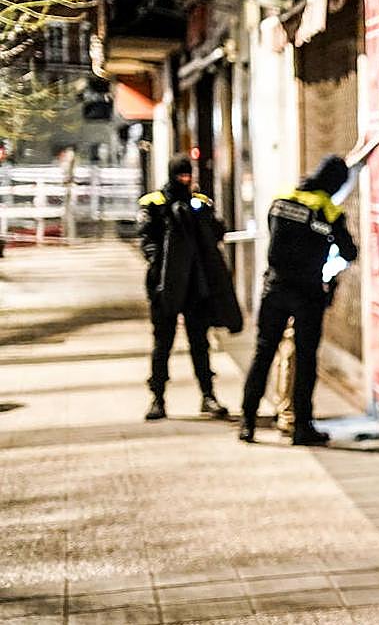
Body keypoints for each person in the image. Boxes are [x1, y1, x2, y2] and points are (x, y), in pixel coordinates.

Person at [238, 154, 359, 446]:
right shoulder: (327, 210)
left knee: (263, 353)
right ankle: (302, 427)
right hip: (307, 293)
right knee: (305, 361)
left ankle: (248, 422)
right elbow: (349, 252)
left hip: (274, 287)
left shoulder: (282, 199)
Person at [137, 154, 242, 421]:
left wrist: (202, 214)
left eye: (188, 175)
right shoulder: (155, 203)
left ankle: (208, 395)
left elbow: (218, 231)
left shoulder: (199, 202)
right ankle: (157, 397)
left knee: (200, 343)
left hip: (196, 286)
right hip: (166, 285)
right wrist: (158, 263)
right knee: (163, 344)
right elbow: (147, 240)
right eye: (180, 175)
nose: (185, 179)